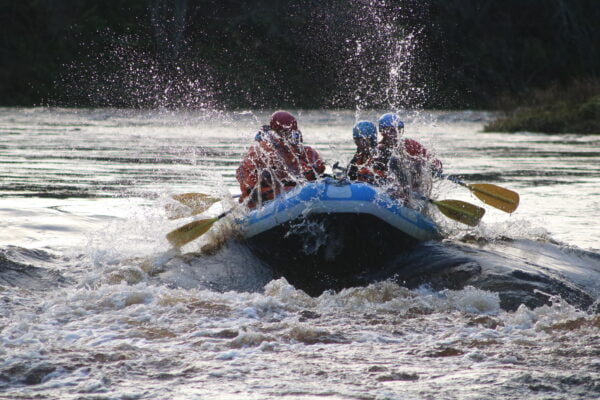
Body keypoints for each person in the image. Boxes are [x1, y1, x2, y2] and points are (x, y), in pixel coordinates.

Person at [236, 111, 325, 208]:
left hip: (293, 190)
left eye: (292, 133)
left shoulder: (306, 152)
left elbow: (317, 170)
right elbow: (244, 176)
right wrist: (256, 187)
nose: (289, 138)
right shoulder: (261, 152)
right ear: (275, 132)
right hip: (266, 198)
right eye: (285, 133)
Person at [372, 112, 442, 201]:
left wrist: (426, 164)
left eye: (398, 130)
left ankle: (409, 195)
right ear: (382, 132)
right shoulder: (378, 150)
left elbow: (436, 163)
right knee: (394, 161)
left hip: (415, 189)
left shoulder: (410, 145)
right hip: (392, 187)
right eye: (391, 130)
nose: (395, 134)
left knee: (411, 164)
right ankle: (401, 193)